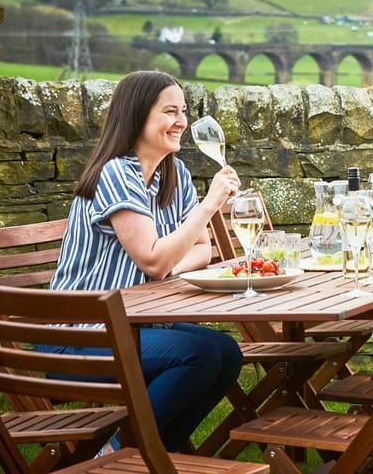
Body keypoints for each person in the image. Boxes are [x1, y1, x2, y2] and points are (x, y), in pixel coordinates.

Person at [45, 70, 244, 452]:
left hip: (133, 326)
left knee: (227, 353)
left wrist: (170, 261)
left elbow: (202, 251)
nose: (181, 122)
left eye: (183, 111)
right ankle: (120, 452)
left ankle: (152, 451)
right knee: (198, 356)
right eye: (170, 111)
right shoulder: (116, 173)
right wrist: (208, 206)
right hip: (79, 335)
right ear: (138, 116)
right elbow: (153, 261)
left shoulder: (175, 173)